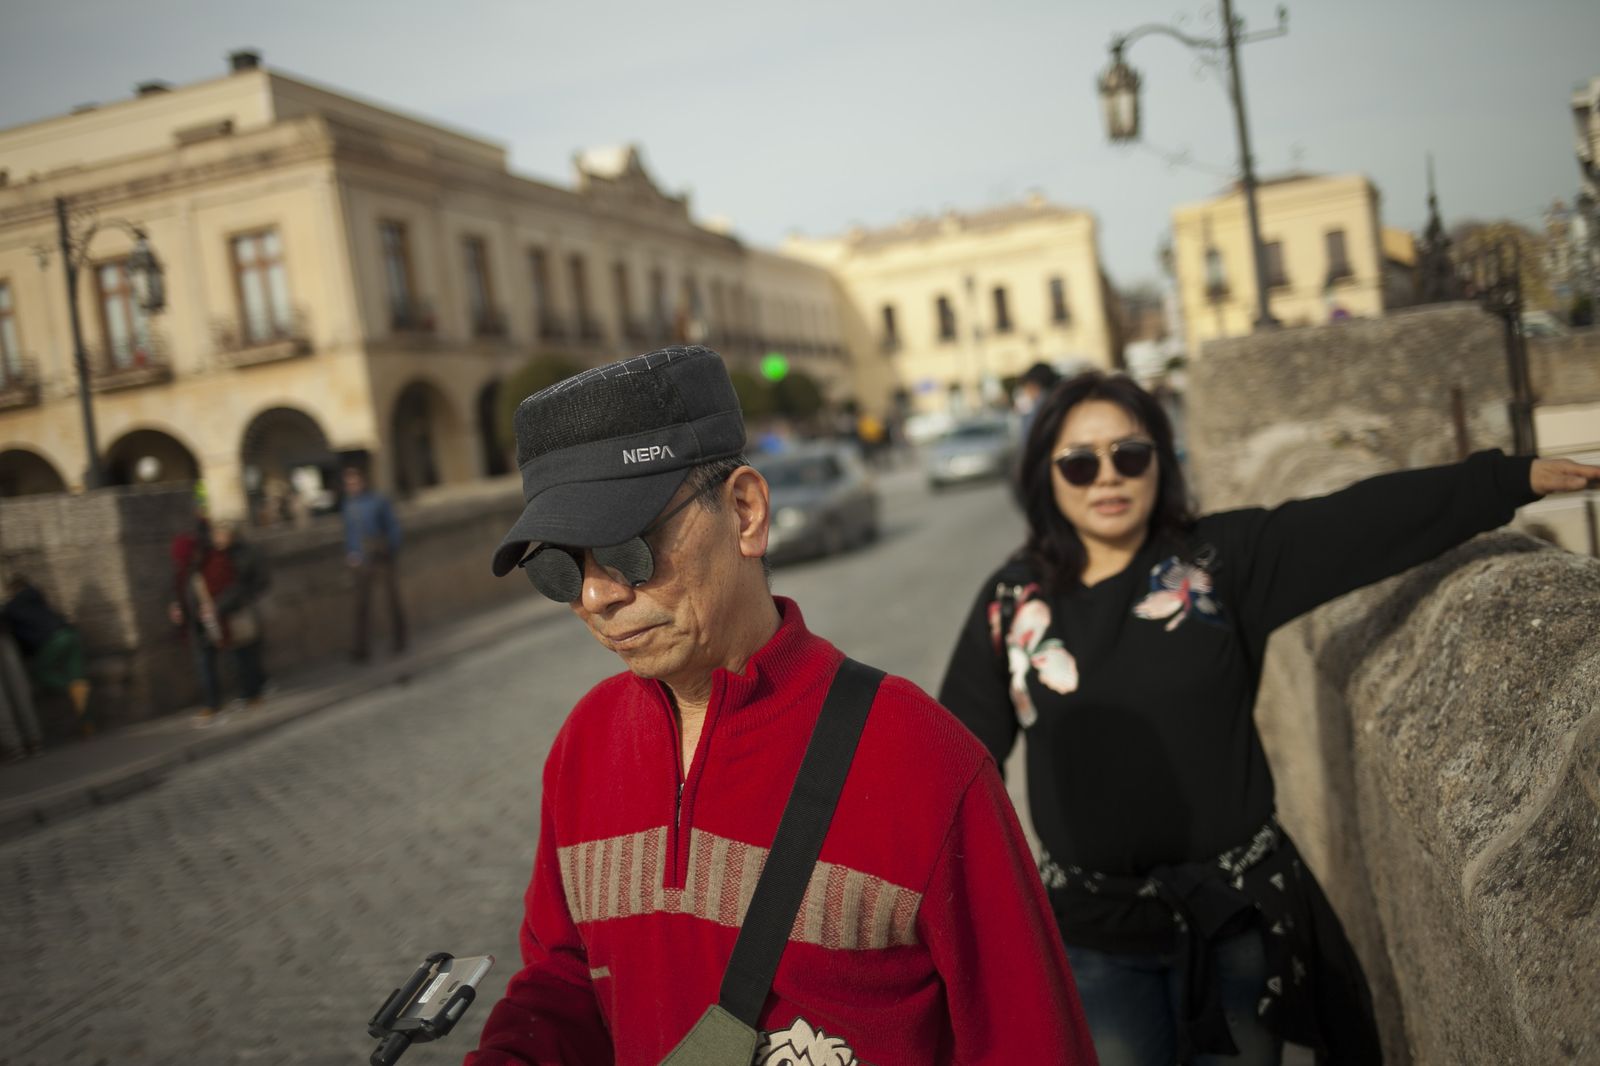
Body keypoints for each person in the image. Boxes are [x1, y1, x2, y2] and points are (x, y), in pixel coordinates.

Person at [937, 369, 1600, 1066]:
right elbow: (953, 760)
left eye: (1130, 454)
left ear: (1161, 459)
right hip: (1094, 936)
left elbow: (1357, 522)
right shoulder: (1012, 602)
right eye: (1080, 461)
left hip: (1237, 921)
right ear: (1046, 474)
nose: (1108, 477)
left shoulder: (1217, 563)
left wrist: (1507, 481)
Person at [465, 346, 1096, 1066]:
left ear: (744, 511)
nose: (595, 595)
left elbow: (1031, 1040)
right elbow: (568, 972)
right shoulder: (585, 746)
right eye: (558, 565)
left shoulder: (924, 761)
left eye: (624, 545)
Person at [174, 520, 270, 721]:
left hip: (233, 611)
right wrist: (178, 606)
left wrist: (217, 606)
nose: (219, 539)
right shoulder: (192, 567)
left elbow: (241, 584)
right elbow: (183, 588)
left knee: (244, 655)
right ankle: (215, 703)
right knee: (211, 660)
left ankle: (252, 692)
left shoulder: (229, 557)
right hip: (203, 618)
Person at [1, 575, 92, 739]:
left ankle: (68, 689)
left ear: (12, 589)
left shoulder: (12, 607)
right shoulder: (37, 596)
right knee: (79, 680)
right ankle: (87, 724)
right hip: (69, 634)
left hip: (51, 640)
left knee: (41, 671)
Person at [341, 465, 407, 661]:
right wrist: (352, 552)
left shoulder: (378, 500)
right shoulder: (348, 506)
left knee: (391, 600)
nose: (352, 486)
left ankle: (399, 639)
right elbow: (350, 533)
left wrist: (391, 549)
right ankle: (360, 648)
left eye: (355, 481)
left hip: (382, 556)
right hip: (362, 558)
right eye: (349, 483)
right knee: (361, 606)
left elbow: (393, 527)